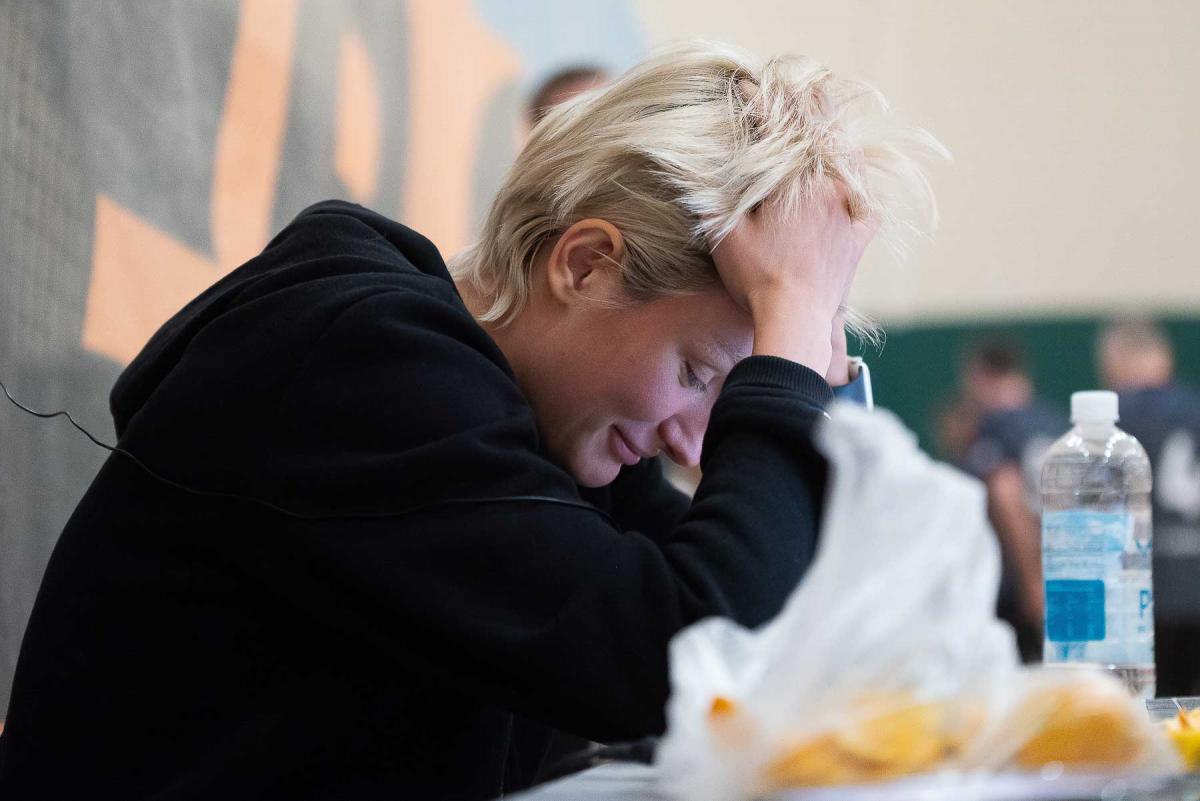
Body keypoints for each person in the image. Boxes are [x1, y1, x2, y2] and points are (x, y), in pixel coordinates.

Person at [0, 42, 941, 800]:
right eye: (697, 374)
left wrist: (810, 354)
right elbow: (685, 658)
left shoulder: (555, 428)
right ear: (584, 264)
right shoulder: (360, 363)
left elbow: (786, 642)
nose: (693, 442)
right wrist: (785, 340)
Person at [1098, 318, 1200, 697]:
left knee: (1149, 712)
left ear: (1115, 361)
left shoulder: (1112, 421)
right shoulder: (1194, 408)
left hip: (1139, 600)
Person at [959, 341, 1065, 662]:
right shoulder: (1054, 421)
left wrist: (1033, 581)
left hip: (1019, 584)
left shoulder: (996, 425)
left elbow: (1006, 492)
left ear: (980, 377)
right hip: (1064, 570)